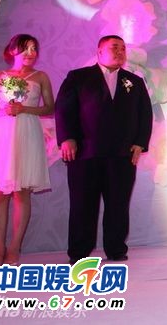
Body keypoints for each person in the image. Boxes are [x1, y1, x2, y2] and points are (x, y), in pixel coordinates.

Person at [55, 35, 153, 263]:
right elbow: (64, 109)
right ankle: (79, 252)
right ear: (99, 52)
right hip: (84, 152)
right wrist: (67, 138)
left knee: (118, 204)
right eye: (114, 47)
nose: (120, 52)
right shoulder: (78, 77)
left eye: (123, 48)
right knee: (82, 204)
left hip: (122, 154)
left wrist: (139, 143)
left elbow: (144, 114)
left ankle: (116, 249)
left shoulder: (134, 81)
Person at [0, 34, 54, 267]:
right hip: (3, 134)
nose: (30, 53)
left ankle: (14, 249)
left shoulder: (41, 76)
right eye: (25, 48)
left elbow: (50, 108)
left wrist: (25, 109)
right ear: (13, 50)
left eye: (34, 49)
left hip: (27, 133)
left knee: (22, 192)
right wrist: (6, 111)